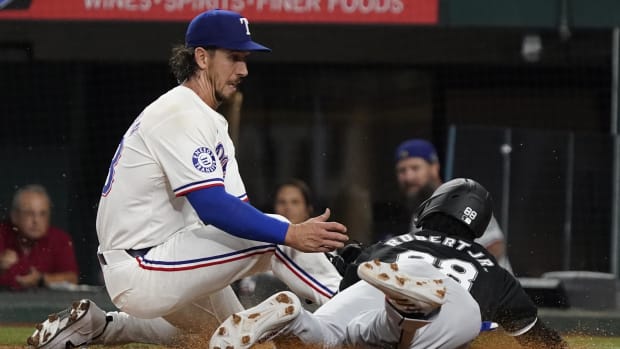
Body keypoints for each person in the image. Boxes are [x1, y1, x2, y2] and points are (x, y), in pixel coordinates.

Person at [27, 9, 347, 348]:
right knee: (281, 233)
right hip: (143, 264)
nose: (244, 69)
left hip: (168, 264)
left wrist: (297, 247)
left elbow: (238, 214)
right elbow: (213, 207)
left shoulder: (210, 123)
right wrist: (292, 234)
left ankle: (101, 326)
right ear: (202, 57)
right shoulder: (179, 113)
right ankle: (352, 316)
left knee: (229, 339)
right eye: (234, 57)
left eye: (245, 59)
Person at [210, 178, 568, 349]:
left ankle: (294, 318)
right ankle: (409, 311)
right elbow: (538, 339)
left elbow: (348, 288)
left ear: (432, 207)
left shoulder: (394, 243)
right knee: (406, 338)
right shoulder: (492, 269)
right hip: (453, 298)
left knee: (334, 337)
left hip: (381, 281)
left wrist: (355, 264)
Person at [377, 138, 512, 272]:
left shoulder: (461, 198)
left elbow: (495, 246)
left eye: (415, 168)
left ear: (434, 167)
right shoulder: (419, 212)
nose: (408, 177)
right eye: (402, 171)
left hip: (491, 290)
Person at [237, 178, 315, 297]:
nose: (288, 208)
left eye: (295, 202)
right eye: (282, 202)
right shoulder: (259, 243)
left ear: (307, 210)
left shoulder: (321, 245)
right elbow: (247, 291)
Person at [0, 184, 78, 291]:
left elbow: (72, 279)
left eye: (42, 214)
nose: (36, 220)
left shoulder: (60, 239)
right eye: (29, 213)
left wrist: (41, 279)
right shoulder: (2, 234)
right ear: (14, 215)